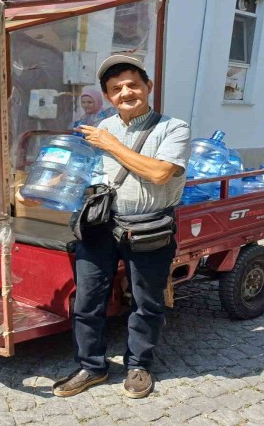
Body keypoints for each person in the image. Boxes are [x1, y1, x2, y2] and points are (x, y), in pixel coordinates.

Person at [19, 55, 190, 399]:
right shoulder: (97, 128)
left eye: (133, 85)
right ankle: (92, 366)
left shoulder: (173, 128)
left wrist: (112, 144)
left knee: (146, 302)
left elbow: (159, 173)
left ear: (148, 87)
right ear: (108, 96)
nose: (126, 92)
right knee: (87, 300)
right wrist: (43, 189)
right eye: (116, 88)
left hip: (149, 225)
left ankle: (139, 365)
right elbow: (76, 171)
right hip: (99, 224)